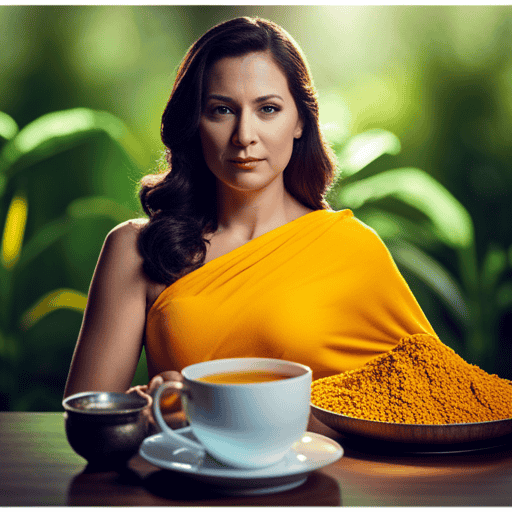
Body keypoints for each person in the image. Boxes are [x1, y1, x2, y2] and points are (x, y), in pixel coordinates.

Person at [63, 17, 436, 411]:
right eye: (222, 110)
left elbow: (438, 394)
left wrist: (217, 408)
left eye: (268, 109)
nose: (244, 135)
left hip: (328, 472)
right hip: (187, 472)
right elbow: (86, 420)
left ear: (300, 122)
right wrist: (151, 408)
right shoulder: (137, 249)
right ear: (195, 122)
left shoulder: (353, 250)